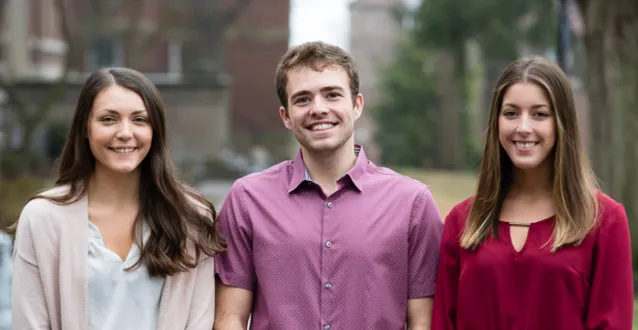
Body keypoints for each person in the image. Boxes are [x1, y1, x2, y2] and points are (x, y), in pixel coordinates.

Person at [213, 41, 445, 330]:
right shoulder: (247, 200)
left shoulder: (412, 203)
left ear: (357, 105)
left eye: (332, 95)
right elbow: (229, 318)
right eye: (302, 99)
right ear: (285, 116)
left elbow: (423, 321)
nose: (318, 109)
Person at [11, 67, 226, 330]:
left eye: (139, 120)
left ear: (155, 130)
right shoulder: (43, 218)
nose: (125, 132)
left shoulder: (191, 218)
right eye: (109, 119)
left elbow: (199, 321)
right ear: (85, 128)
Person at [431, 56, 634, 329]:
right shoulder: (462, 221)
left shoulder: (605, 220)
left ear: (562, 124)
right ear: (496, 122)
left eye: (540, 114)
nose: (523, 127)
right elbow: (444, 322)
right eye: (511, 113)